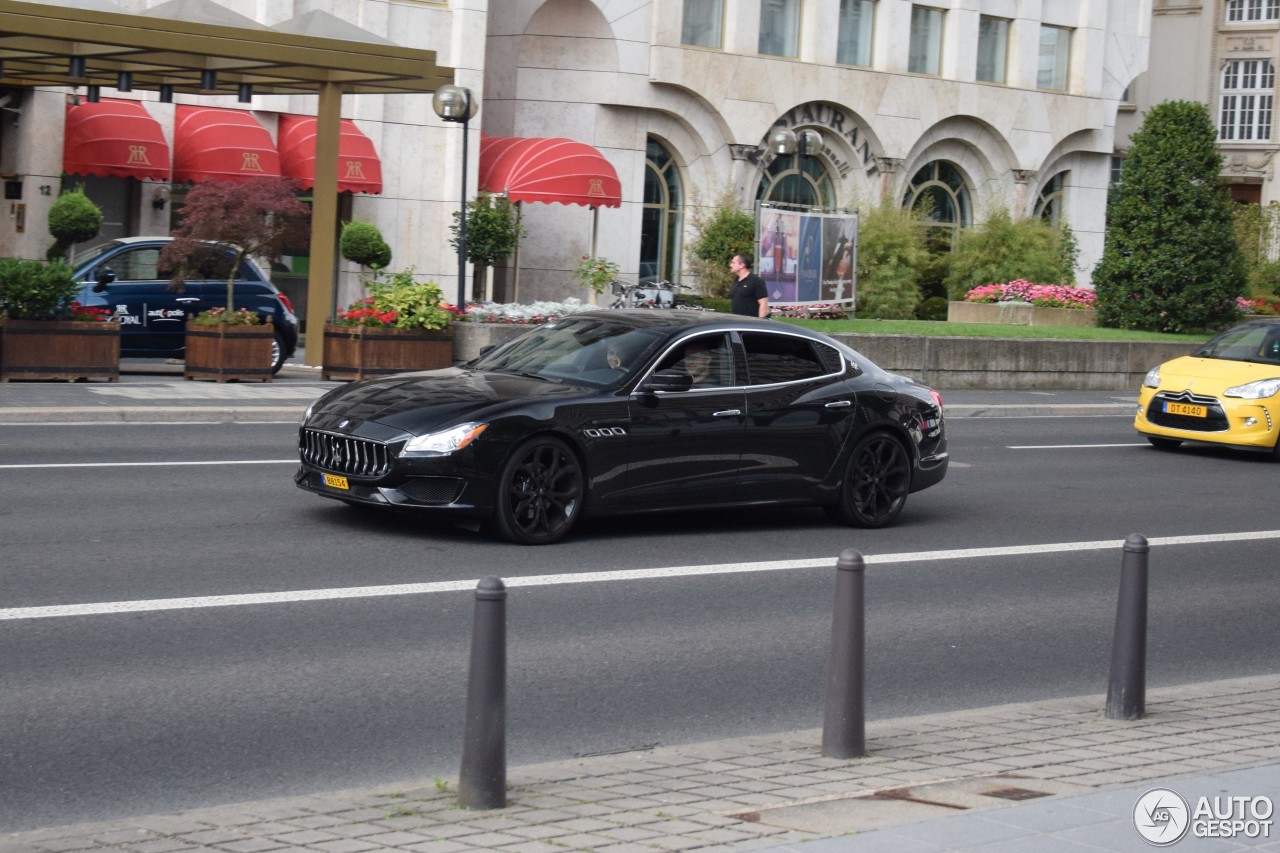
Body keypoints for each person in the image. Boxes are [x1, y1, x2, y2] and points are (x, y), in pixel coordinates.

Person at [729, 252, 769, 318]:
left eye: (733, 263)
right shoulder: (736, 281)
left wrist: (760, 322)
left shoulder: (756, 281)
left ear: (741, 265)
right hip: (736, 323)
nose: (730, 265)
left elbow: (763, 304)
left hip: (750, 324)